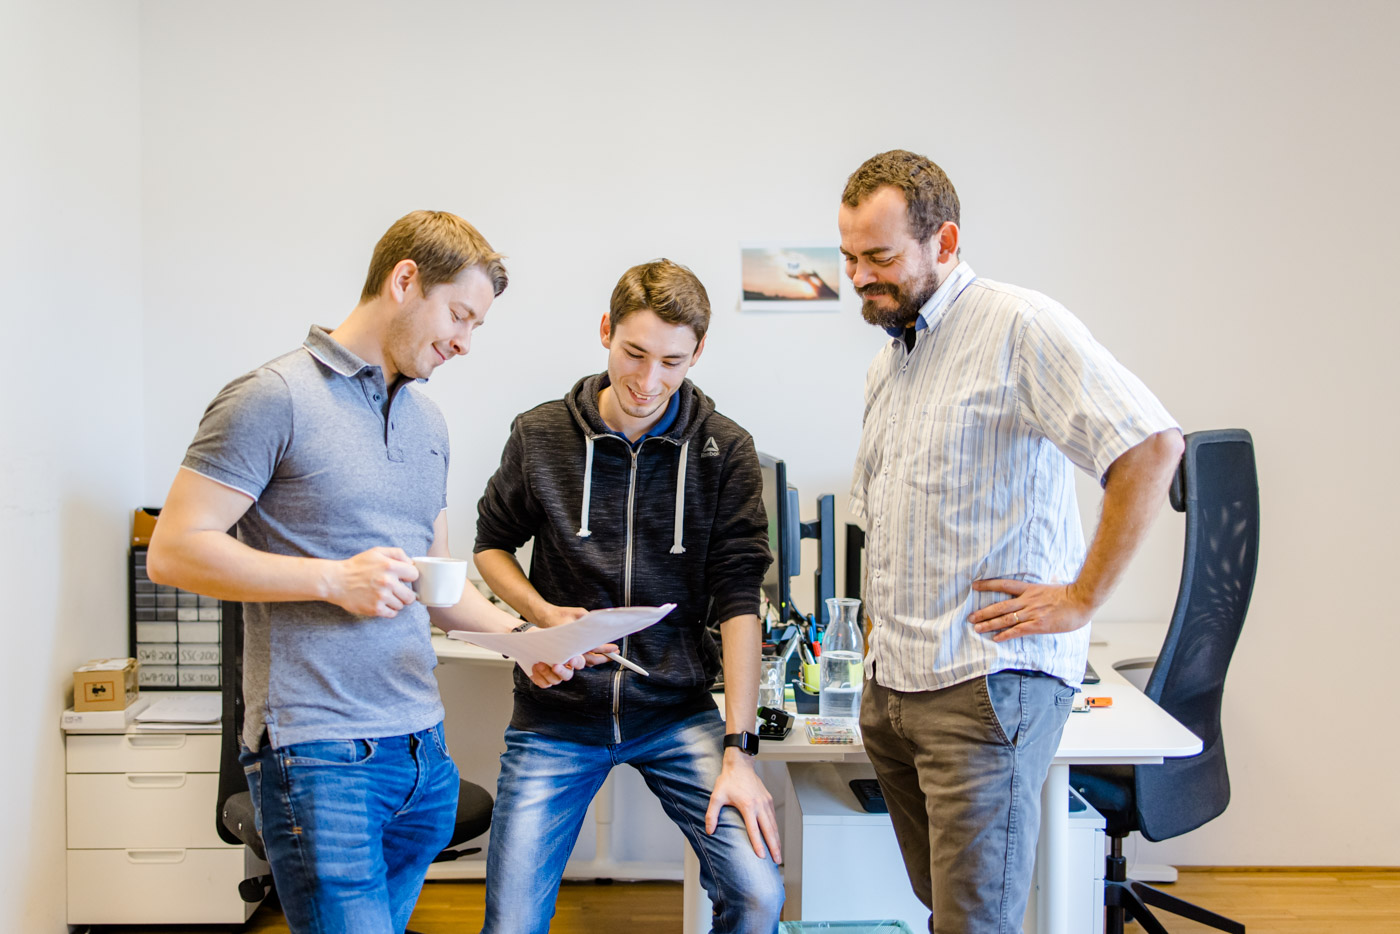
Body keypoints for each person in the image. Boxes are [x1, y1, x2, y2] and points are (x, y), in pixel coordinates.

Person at [146, 210, 582, 934]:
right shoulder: (272, 396)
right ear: (404, 280)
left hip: (422, 751)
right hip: (320, 753)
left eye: (477, 326)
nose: (466, 342)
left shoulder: (427, 423)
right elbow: (174, 549)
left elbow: (437, 584)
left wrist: (527, 639)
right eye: (460, 316)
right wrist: (331, 580)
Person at [837, 150, 1185, 933]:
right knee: (948, 908)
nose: (859, 277)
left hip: (983, 682)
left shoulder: (1019, 326)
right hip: (896, 686)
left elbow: (1150, 445)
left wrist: (1081, 598)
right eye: (850, 258)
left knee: (976, 919)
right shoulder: (888, 365)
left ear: (945, 241)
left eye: (880, 257)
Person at [473, 258, 786, 934]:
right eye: (634, 354)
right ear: (605, 331)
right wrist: (540, 616)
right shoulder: (541, 435)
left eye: (671, 362)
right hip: (556, 717)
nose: (648, 382)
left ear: (698, 351)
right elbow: (490, 546)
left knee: (759, 894)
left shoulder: (725, 450)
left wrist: (740, 750)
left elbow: (739, 600)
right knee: (511, 923)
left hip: (675, 714)